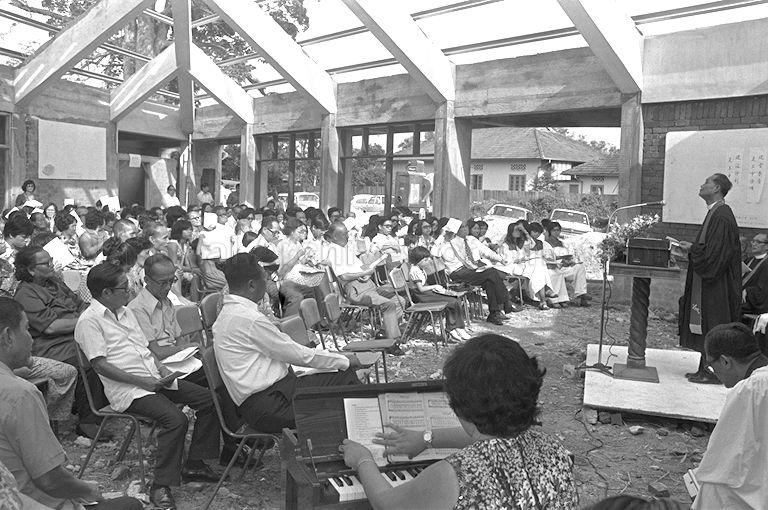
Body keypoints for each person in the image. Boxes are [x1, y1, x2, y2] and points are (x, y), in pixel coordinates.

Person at [340, 334, 578, 509]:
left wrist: (363, 460)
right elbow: (495, 442)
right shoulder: (554, 450)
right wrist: (427, 439)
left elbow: (387, 504)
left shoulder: (452, 475)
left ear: (461, 408)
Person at [75, 262, 220, 510]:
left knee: (209, 399)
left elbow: (145, 349)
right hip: (128, 390)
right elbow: (100, 366)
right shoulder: (90, 321)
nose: (130, 291)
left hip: (153, 378)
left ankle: (195, 463)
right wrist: (143, 381)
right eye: (124, 287)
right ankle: (160, 486)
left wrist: (162, 370)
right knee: (176, 420)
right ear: (106, 292)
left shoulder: (125, 312)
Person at [0, 297, 143, 510]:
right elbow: (49, 480)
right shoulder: (19, 394)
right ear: (8, 337)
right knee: (131, 505)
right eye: (27, 329)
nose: (31, 340)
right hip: (32, 502)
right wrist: (87, 490)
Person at [212, 253, 363, 432]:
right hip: (271, 405)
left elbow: (288, 352)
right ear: (252, 285)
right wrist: (344, 360)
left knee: (341, 378)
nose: (267, 285)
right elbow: (296, 354)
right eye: (264, 279)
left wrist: (335, 361)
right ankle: (356, 435)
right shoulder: (248, 319)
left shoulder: (229, 315)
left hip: (271, 396)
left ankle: (354, 434)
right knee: (345, 381)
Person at [13, 246, 105, 438]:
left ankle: (104, 405)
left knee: (109, 350)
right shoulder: (26, 294)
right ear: (31, 270)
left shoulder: (54, 282)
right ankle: (87, 422)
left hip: (75, 334)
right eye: (45, 263)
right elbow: (51, 327)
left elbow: (80, 303)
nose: (51, 265)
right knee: (87, 362)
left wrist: (88, 316)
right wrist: (84, 320)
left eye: (51, 260)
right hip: (51, 345)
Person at [692, 323, 768, 508]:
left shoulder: (751, 389)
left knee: (714, 487)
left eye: (711, 366)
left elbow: (724, 456)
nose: (715, 373)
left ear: (725, 361)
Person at [678, 174, 741, 384]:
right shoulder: (715, 212)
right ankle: (704, 367)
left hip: (717, 284)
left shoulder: (722, 215)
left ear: (716, 188)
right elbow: (709, 248)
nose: (702, 185)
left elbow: (715, 255)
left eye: (706, 182)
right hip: (709, 281)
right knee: (705, 323)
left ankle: (713, 372)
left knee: (713, 323)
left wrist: (693, 249)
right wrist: (694, 249)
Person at [320, 223, 405, 352]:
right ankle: (392, 342)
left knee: (400, 300)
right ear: (335, 237)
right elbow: (344, 276)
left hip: (367, 285)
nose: (348, 236)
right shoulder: (334, 252)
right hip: (356, 290)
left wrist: (368, 271)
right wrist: (362, 274)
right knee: (389, 304)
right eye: (344, 234)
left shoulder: (345, 249)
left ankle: (384, 333)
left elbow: (361, 267)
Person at [435, 219, 519, 325]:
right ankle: (506, 302)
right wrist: (442, 235)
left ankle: (494, 313)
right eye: (462, 227)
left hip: (471, 269)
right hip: (457, 273)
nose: (465, 229)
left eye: (466, 226)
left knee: (490, 281)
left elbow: (486, 251)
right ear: (456, 230)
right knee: (491, 272)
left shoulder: (471, 239)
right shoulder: (448, 242)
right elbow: (434, 253)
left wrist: (500, 259)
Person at [408, 246, 469, 342]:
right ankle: (451, 329)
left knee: (456, 299)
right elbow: (421, 289)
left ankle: (459, 327)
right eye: (425, 260)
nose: (427, 262)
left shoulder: (420, 268)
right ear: (417, 260)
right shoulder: (414, 270)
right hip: (423, 295)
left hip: (427, 293)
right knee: (452, 301)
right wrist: (434, 286)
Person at [276, 218, 327, 317]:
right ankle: (323, 315)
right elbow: (284, 270)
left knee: (320, 281)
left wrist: (309, 260)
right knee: (320, 281)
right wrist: (298, 256)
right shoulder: (284, 244)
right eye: (300, 232)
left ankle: (320, 316)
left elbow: (300, 264)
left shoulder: (298, 244)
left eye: (304, 231)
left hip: (297, 276)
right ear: (291, 231)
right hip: (286, 279)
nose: (303, 234)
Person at [543, 221, 590, 307]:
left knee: (580, 267)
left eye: (558, 230)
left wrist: (571, 262)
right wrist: (561, 261)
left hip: (564, 267)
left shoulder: (562, 243)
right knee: (556, 273)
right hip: (553, 267)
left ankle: (581, 294)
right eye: (554, 230)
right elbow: (547, 259)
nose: (556, 232)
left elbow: (568, 256)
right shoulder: (546, 244)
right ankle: (558, 299)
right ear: (550, 231)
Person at [741, 232, 768, 314]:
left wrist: (747, 291)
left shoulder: (766, 263)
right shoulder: (748, 260)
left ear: (767, 246)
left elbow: (763, 290)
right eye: (753, 241)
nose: (754, 244)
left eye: (758, 242)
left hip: (753, 303)